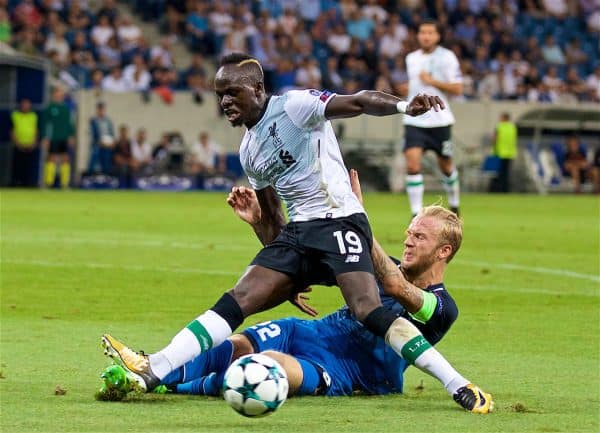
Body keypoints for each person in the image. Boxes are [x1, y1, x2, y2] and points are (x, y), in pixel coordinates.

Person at [101, 53, 488, 412]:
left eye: (232, 92)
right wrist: (288, 278)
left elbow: (358, 101)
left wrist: (404, 106)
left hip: (338, 220)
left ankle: (456, 384)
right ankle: (155, 368)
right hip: (300, 232)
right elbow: (273, 218)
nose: (225, 103)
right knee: (239, 298)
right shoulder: (250, 149)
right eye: (220, 96)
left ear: (256, 88)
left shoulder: (295, 106)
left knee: (366, 308)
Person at [99, 170, 492, 412]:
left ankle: (171, 383)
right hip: (312, 332)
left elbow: (393, 285)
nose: (408, 241)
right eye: (408, 232)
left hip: (349, 368)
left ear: (443, 251)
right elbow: (296, 263)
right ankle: (149, 371)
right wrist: (261, 224)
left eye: (419, 237)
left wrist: (356, 219)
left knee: (267, 366)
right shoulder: (376, 261)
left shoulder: (441, 307)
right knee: (238, 344)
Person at [403, 20, 463, 217]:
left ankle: (454, 204)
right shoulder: (411, 58)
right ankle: (415, 214)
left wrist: (433, 82)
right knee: (412, 165)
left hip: (439, 120)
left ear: (437, 36)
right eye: (422, 32)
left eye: (430, 32)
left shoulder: (447, 57)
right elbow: (415, 86)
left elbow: (458, 88)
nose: (426, 36)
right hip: (414, 120)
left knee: (446, 166)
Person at [41, 87, 74, 189]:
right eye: (58, 94)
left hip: (64, 137)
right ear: (54, 95)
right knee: (51, 158)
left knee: (65, 159)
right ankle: (48, 183)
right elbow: (45, 123)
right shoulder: (50, 108)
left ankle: (65, 184)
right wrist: (45, 137)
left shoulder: (66, 109)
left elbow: (69, 124)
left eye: (62, 94)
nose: (60, 96)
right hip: (53, 138)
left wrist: (71, 136)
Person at [10, 98, 39, 187]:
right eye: (24, 104)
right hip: (19, 145)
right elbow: (12, 130)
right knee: (18, 166)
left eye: (27, 104)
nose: (25, 106)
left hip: (30, 145)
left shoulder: (33, 116)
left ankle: (29, 183)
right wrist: (17, 143)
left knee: (29, 166)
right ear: (20, 105)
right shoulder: (15, 115)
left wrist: (34, 142)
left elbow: (36, 130)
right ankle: (16, 183)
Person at [491, 112, 517, 193]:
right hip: (510, 153)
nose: (500, 119)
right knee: (506, 174)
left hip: (500, 153)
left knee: (499, 173)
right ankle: (506, 190)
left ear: (505, 118)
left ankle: (499, 190)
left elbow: (495, 139)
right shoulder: (513, 127)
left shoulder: (499, 126)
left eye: (501, 117)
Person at [88, 101, 115, 174]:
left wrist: (111, 142)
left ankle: (107, 177)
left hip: (107, 145)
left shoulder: (108, 121)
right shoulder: (93, 121)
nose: (101, 111)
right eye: (99, 109)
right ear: (97, 110)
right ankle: (90, 176)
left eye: (102, 109)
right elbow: (93, 134)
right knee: (94, 158)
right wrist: (99, 142)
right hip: (97, 144)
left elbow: (112, 134)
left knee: (107, 161)